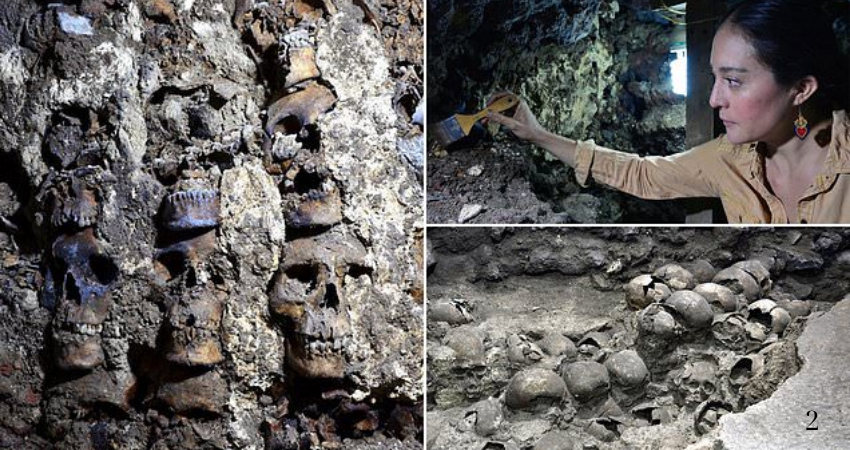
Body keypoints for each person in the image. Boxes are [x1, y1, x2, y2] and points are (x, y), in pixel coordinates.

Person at [487, 0, 850, 224]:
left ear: (801, 88)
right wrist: (537, 135)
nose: (714, 100)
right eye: (715, 78)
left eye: (734, 81)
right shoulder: (729, 160)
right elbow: (643, 175)